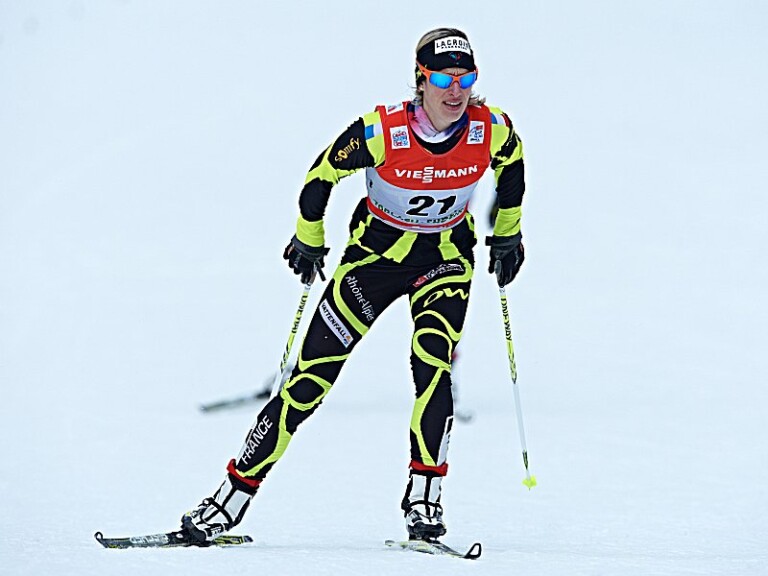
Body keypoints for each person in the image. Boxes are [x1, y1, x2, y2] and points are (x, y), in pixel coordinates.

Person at [180, 27, 526, 544]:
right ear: (421, 80)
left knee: (433, 367)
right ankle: (226, 502)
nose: (455, 91)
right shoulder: (382, 131)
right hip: (373, 263)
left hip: (446, 260)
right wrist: (308, 240)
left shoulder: (490, 129)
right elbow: (321, 175)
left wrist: (508, 235)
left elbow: (513, 166)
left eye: (465, 78)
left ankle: (424, 503)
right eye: (442, 79)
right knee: (307, 384)